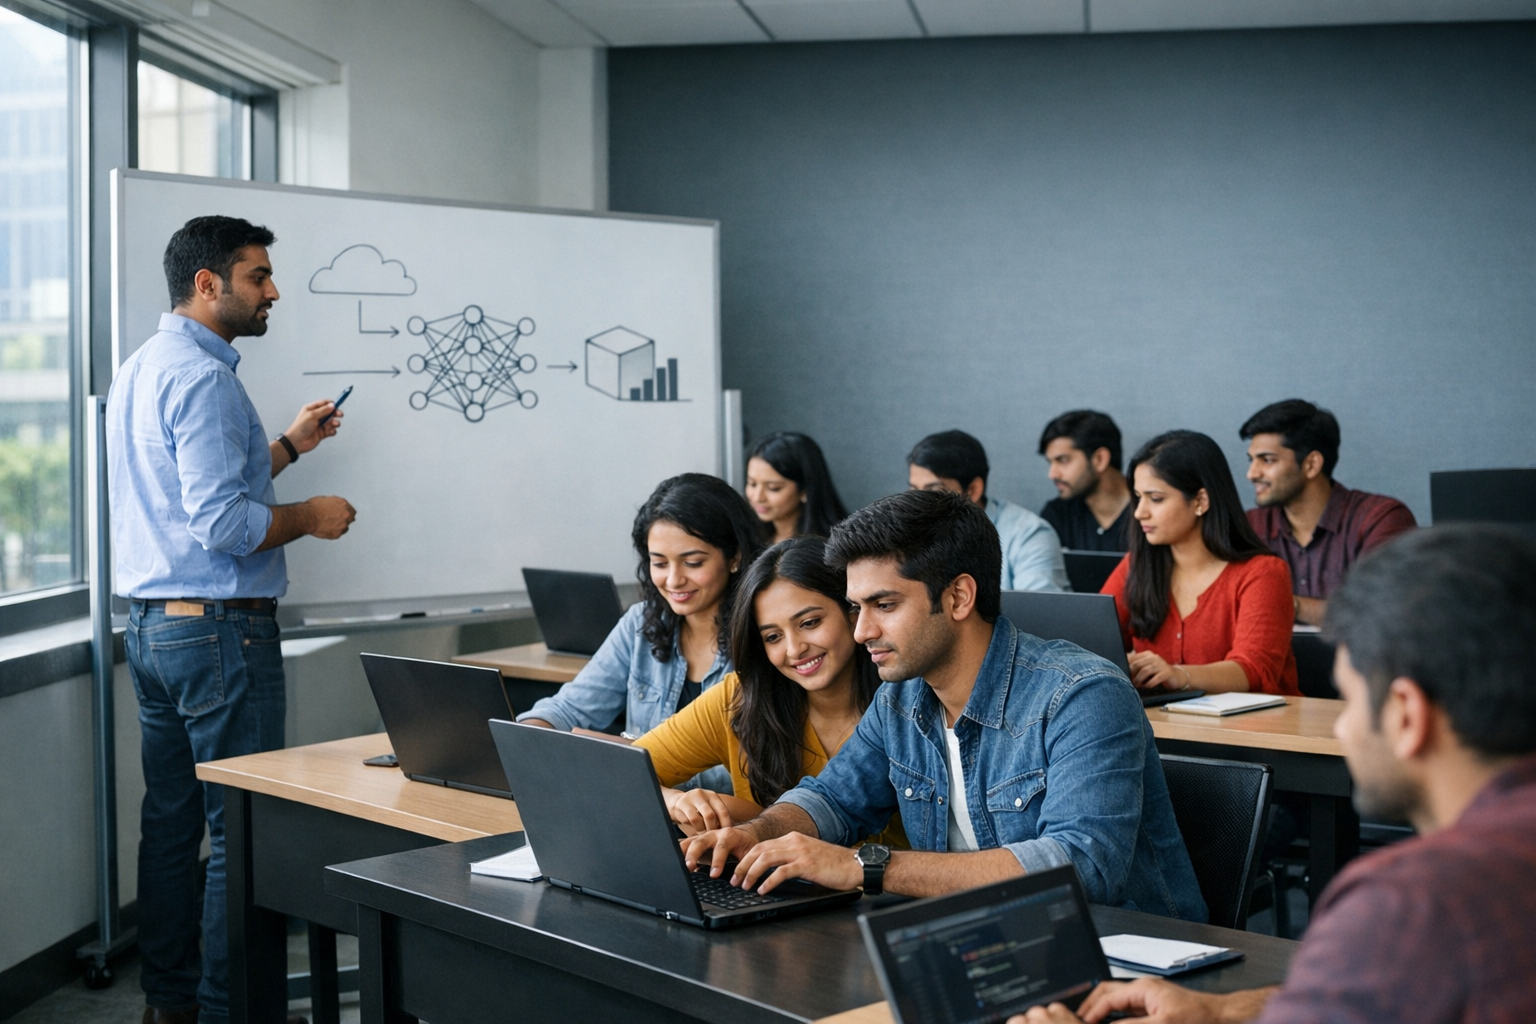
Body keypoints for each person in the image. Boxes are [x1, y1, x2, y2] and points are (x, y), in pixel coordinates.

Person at [1010, 525, 1536, 1024]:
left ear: (1406, 714)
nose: (1346, 728)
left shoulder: (1409, 907)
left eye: (1349, 700)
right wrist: (1225, 1011)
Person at [681, 489, 1204, 919]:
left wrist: (867, 866)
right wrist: (751, 836)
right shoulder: (902, 698)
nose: (862, 631)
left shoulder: (1083, 695)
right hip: (977, 937)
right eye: (856, 608)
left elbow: (1081, 867)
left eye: (884, 605)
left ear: (958, 597)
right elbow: (833, 800)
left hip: (1125, 958)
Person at [108, 216, 357, 1024]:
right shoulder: (207, 380)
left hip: (153, 629)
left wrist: (286, 445)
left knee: (173, 825)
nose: (273, 290)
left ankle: (172, 1005)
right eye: (258, 276)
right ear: (208, 283)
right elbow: (224, 528)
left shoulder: (144, 368)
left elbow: (196, 500)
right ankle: (229, 1011)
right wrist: (311, 515)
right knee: (240, 830)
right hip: (218, 633)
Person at [632, 536, 904, 847]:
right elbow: (617, 771)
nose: (794, 649)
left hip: (899, 892)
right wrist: (673, 802)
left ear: (853, 611)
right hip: (771, 887)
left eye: (809, 622)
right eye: (773, 637)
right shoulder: (739, 698)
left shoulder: (907, 701)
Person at [518, 473, 766, 790]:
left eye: (692, 562)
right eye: (659, 563)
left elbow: (748, 776)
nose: (674, 580)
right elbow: (568, 709)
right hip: (643, 805)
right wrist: (531, 735)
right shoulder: (642, 624)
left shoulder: (765, 636)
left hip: (725, 826)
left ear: (734, 557)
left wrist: (642, 758)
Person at [1103, 431, 1299, 696]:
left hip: (1253, 732)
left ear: (1200, 501)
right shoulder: (1137, 564)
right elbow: (1097, 640)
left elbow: (1254, 671)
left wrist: (1178, 675)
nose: (1139, 512)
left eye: (1156, 498)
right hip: (1162, 727)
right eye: (1138, 497)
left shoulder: (1263, 573)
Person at [1241, 399, 1416, 626]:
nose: (1251, 473)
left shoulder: (1381, 518)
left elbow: (1384, 615)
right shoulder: (1250, 526)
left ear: (1312, 464)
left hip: (1361, 661)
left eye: (1267, 460)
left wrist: (1284, 603)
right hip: (1273, 662)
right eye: (1251, 460)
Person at [908, 429, 1069, 592]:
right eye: (914, 489)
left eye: (934, 491)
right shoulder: (907, 533)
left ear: (973, 490)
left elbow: (1037, 612)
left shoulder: (1029, 534)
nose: (919, 502)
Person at [1037, 410, 1134, 552]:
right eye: (1050, 463)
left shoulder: (1150, 513)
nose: (1052, 474)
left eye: (1063, 460)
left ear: (1099, 459)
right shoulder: (1058, 514)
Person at [744, 431, 849, 542]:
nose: (758, 497)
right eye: (752, 484)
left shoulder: (832, 548)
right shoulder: (748, 541)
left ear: (805, 490)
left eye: (773, 488)